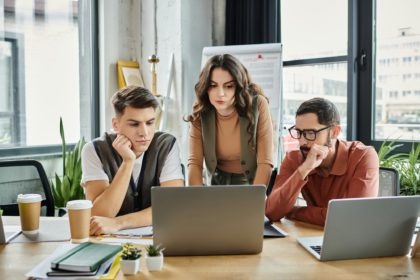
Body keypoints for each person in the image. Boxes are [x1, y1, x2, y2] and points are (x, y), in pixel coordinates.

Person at [81, 86, 184, 235]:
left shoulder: (166, 145)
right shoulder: (94, 150)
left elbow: (171, 206)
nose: (144, 132)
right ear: (116, 124)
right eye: (134, 124)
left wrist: (118, 223)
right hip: (108, 241)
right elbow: (100, 215)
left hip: (156, 239)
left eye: (150, 123)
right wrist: (128, 162)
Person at [265, 97, 379, 226]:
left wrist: (294, 212)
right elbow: (272, 212)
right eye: (299, 132)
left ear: (334, 132)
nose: (302, 141)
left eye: (311, 133)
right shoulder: (294, 158)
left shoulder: (363, 156)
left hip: (350, 241)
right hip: (309, 236)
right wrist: (303, 170)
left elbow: (352, 218)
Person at [186, 54, 273, 186]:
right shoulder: (201, 110)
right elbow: (195, 163)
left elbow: (265, 163)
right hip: (216, 182)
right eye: (213, 85)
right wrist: (198, 199)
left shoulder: (258, 104)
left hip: (251, 181)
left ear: (238, 87)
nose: (220, 93)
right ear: (205, 87)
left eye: (229, 86)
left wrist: (256, 199)